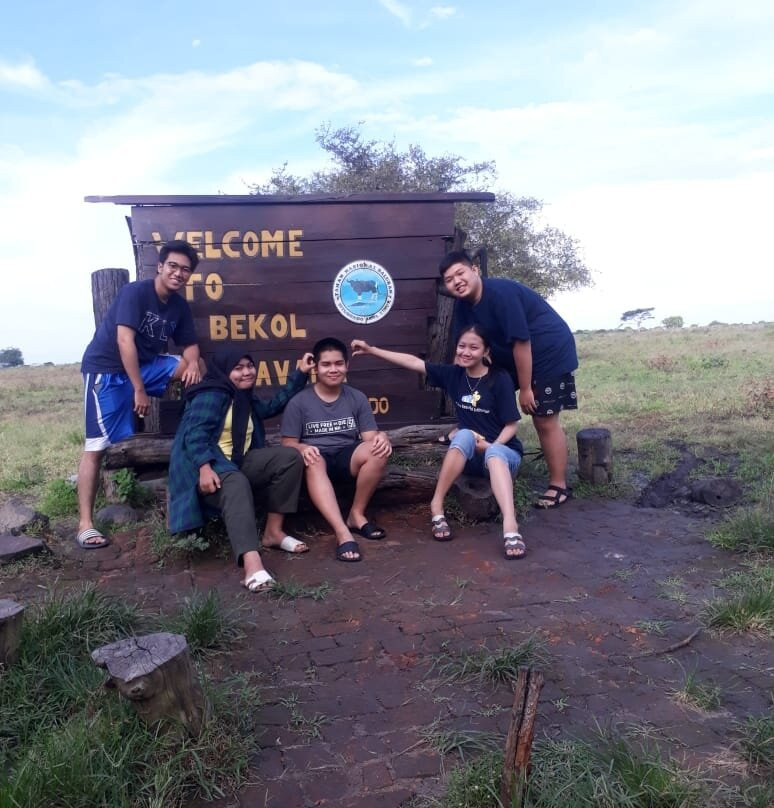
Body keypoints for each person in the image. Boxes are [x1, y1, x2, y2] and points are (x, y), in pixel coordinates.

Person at [352, 326, 527, 559]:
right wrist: (371, 350)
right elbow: (413, 363)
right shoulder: (454, 375)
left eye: (474, 347)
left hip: (503, 455)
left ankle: (510, 526)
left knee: (493, 452)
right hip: (472, 453)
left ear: (485, 351)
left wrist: (492, 446)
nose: (466, 352)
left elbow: (511, 425)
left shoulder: (499, 379)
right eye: (462, 346)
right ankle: (437, 506)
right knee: (464, 434)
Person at [76, 240, 204, 549]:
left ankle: (193, 436)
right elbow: (124, 342)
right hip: (107, 371)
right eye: (173, 266)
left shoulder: (178, 306)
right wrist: (139, 390)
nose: (178, 273)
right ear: (160, 266)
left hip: (144, 366)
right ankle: (85, 525)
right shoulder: (136, 293)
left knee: (194, 366)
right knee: (97, 447)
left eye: (185, 270)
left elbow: (189, 345)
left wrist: (195, 364)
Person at [168, 348, 315, 592]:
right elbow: (194, 435)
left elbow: (270, 408)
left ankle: (273, 533)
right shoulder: (212, 394)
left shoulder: (243, 395)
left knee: (289, 458)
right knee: (236, 482)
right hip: (208, 467)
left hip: (236, 462)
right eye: (238, 368)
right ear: (225, 372)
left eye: (249, 366)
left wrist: (299, 373)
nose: (246, 372)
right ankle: (252, 564)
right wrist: (204, 467)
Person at [441, 250, 578, 509]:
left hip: (548, 351)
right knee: (485, 396)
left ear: (475, 270)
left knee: (543, 418)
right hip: (509, 356)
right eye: (449, 279)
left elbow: (522, 342)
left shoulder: (501, 294)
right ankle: (486, 447)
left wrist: (525, 388)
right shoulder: (462, 306)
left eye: (461, 273)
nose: (457, 281)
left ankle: (559, 485)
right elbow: (464, 349)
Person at [280, 337, 392, 563]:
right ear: (316, 368)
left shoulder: (356, 397)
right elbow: (287, 443)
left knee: (377, 450)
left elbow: (370, 438)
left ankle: (356, 514)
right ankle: (342, 532)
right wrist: (301, 447)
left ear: (346, 366)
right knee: (314, 459)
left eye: (338, 364)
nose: (333, 369)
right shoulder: (299, 402)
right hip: (315, 461)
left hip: (346, 457)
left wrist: (382, 438)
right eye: (326, 364)